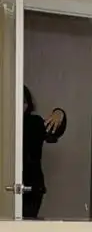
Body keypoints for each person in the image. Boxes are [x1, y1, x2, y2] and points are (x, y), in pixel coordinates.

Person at [23, 86, 67, 219]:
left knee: (27, 224)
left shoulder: (34, 122)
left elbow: (54, 133)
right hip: (10, 186)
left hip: (32, 187)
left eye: (24, 102)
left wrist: (59, 113)